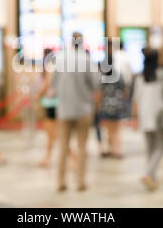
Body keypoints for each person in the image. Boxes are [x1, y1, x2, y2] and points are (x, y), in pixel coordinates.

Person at [51, 32, 100, 192]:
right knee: (82, 147)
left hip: (64, 110)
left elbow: (54, 83)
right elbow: (95, 84)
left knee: (63, 147)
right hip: (83, 109)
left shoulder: (61, 59)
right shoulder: (86, 60)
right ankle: (80, 181)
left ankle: (60, 181)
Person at [132, 49, 163, 191]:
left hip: (145, 116)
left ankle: (152, 177)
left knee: (151, 148)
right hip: (160, 116)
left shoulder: (140, 76)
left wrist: (135, 117)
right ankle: (148, 174)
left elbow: (136, 98)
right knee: (162, 146)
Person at [99, 40, 129, 159]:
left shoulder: (103, 76)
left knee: (108, 129)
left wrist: (98, 105)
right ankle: (116, 150)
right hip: (117, 105)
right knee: (116, 130)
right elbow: (125, 90)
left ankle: (110, 149)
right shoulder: (118, 75)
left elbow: (99, 92)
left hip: (106, 106)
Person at [36, 48, 59, 168]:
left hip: (51, 103)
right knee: (51, 133)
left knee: (53, 133)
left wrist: (38, 95)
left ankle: (73, 156)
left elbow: (47, 84)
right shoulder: (55, 66)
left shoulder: (50, 67)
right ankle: (47, 157)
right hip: (52, 102)